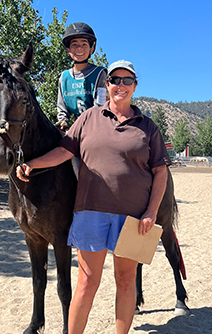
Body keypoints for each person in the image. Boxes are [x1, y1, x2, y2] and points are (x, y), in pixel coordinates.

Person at [16, 60, 171, 334]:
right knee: (86, 282)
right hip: (90, 213)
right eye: (115, 80)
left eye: (127, 80)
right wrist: (34, 164)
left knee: (125, 281)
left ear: (135, 86)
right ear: (106, 85)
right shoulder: (88, 118)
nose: (120, 85)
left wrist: (151, 211)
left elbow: (160, 172)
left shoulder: (148, 127)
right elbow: (64, 152)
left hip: (134, 217)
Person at [56, 22, 107, 130]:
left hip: (96, 127)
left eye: (84, 44)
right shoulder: (64, 77)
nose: (79, 48)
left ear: (91, 49)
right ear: (68, 50)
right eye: (74, 44)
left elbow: (100, 107)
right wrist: (63, 122)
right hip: (73, 129)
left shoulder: (99, 73)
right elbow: (62, 109)